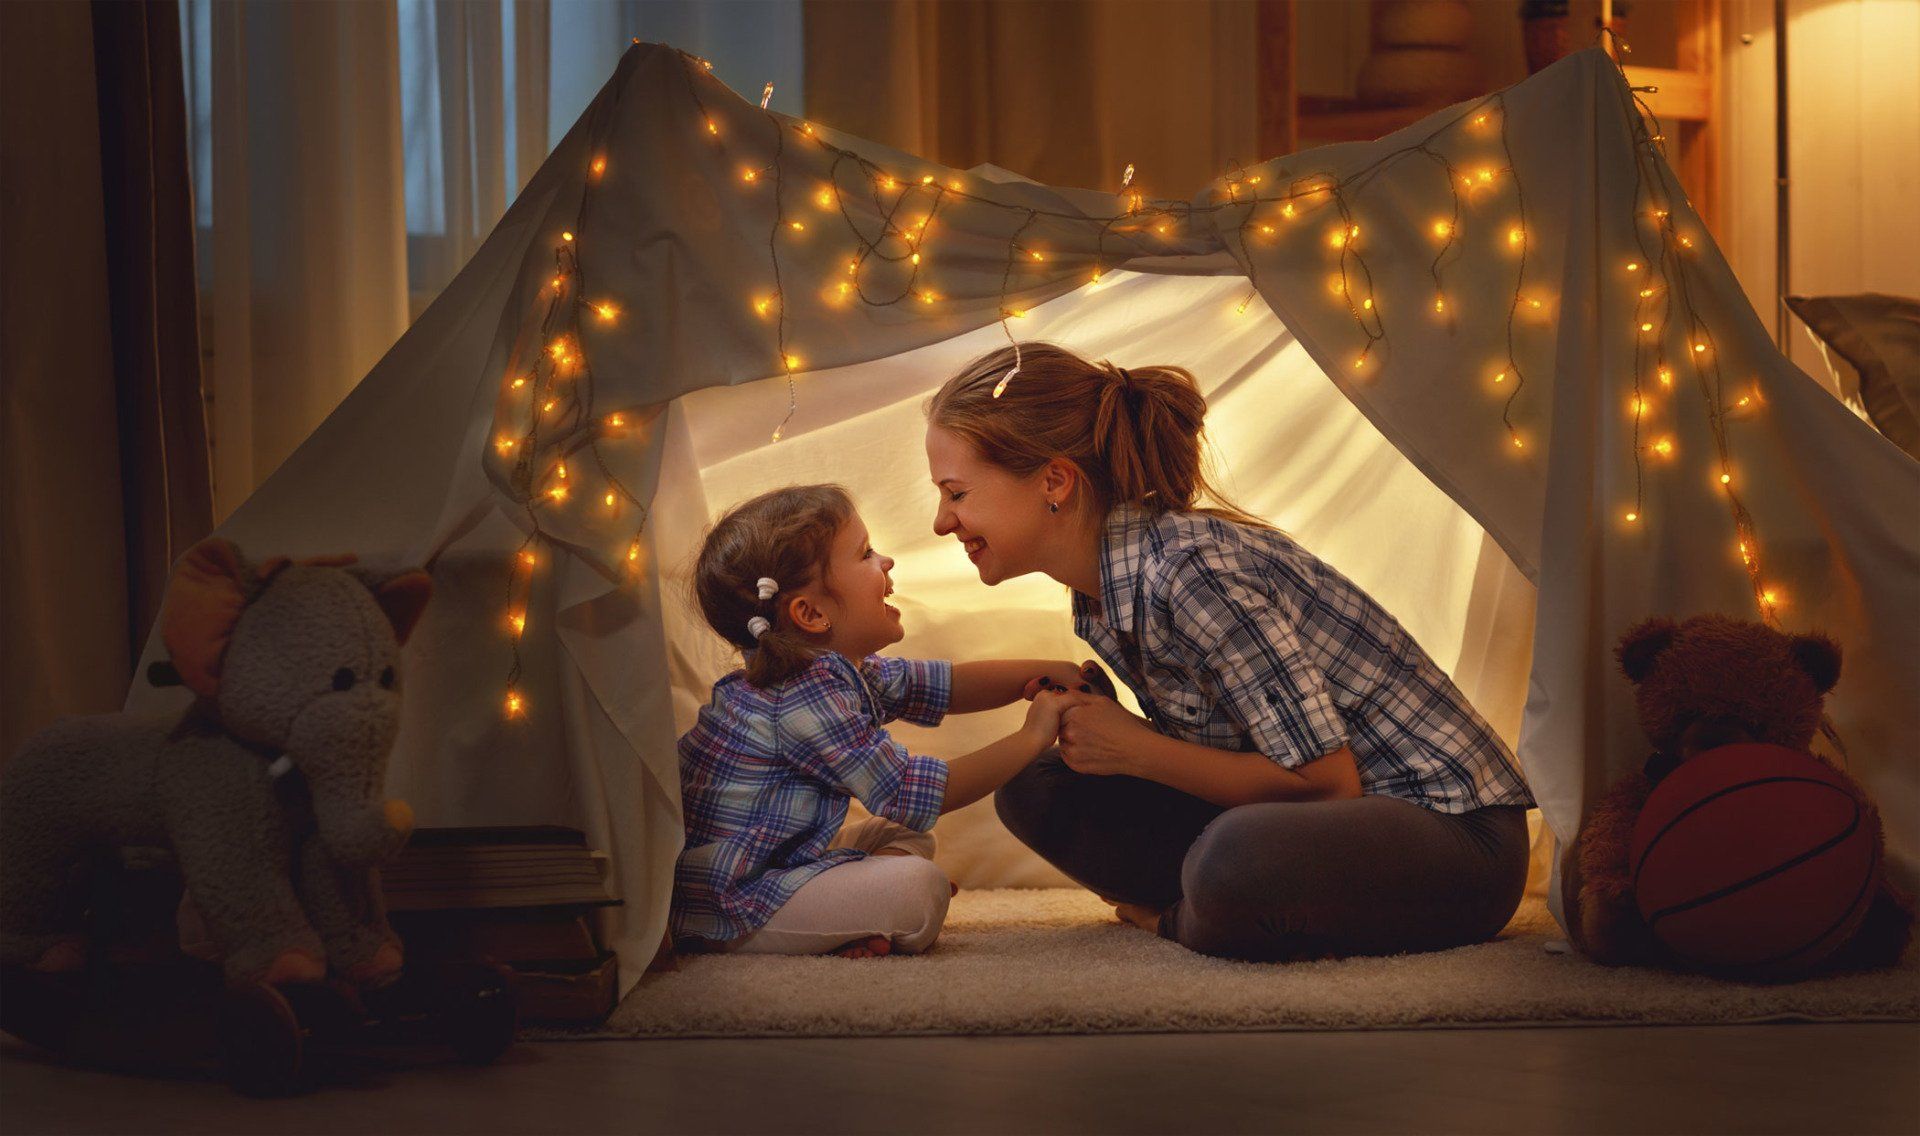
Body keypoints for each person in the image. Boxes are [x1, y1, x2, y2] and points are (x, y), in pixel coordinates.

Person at [924, 343, 1536, 962]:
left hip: (1452, 839)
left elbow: (1327, 786)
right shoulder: (1102, 593)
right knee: (1034, 786)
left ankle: (1185, 919)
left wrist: (1137, 749)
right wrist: (1114, 738)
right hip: (1314, 827)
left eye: (956, 493)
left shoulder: (1192, 574)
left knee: (1237, 859)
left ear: (1054, 481)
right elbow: (1235, 751)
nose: (942, 523)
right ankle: (1223, 905)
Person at [675, 483, 1091, 958]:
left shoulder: (835, 672)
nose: (886, 561)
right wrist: (1035, 736)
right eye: (866, 553)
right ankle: (827, 921)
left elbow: (945, 685)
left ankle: (851, 919)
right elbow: (911, 792)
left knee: (903, 837)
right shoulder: (796, 698)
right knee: (920, 889)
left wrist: (1043, 671)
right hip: (733, 898)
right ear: (811, 614)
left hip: (779, 860)